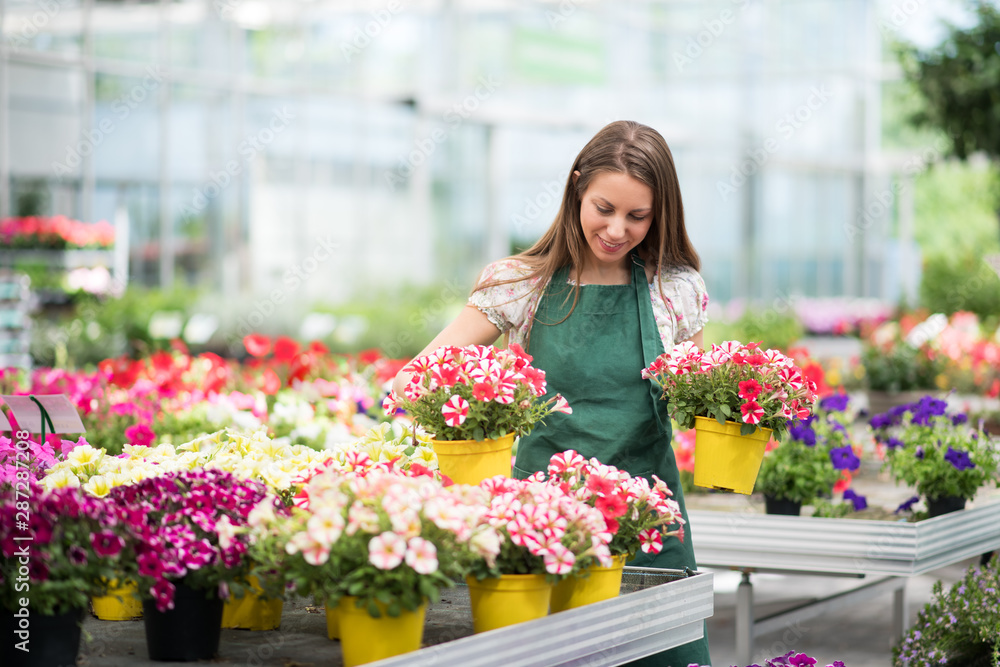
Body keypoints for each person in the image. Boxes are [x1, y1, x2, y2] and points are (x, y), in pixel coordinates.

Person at [394, 120, 712, 667]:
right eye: (604, 208)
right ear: (576, 189)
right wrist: (473, 412)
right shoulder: (520, 283)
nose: (617, 229)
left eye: (638, 216)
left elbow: (694, 403)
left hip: (647, 521)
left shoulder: (675, 289)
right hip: (544, 525)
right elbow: (413, 378)